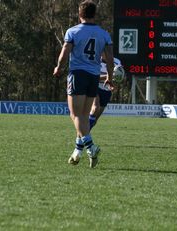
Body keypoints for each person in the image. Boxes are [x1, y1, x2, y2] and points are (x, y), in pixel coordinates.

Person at [53, 0, 114, 168]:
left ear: (80, 14)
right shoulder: (104, 34)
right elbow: (109, 59)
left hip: (78, 74)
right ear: (94, 14)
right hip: (94, 76)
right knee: (84, 117)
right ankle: (77, 151)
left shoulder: (73, 31)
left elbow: (65, 53)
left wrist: (58, 67)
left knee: (75, 115)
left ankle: (91, 147)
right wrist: (109, 77)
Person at [89, 57, 123, 130]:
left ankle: (85, 132)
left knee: (95, 120)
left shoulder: (117, 61)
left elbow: (119, 77)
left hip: (107, 90)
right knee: (95, 108)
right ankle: (84, 135)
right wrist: (109, 76)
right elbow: (93, 77)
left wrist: (115, 84)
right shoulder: (95, 60)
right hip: (95, 86)